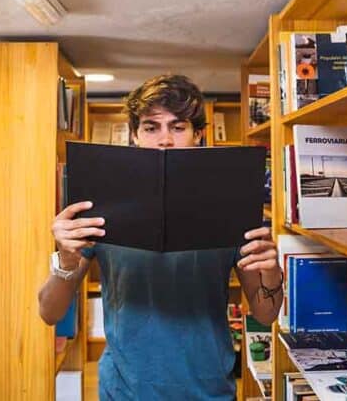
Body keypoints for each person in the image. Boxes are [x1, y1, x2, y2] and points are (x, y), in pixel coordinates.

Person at [38, 74, 283, 400]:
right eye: (151, 127)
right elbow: (49, 313)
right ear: (135, 136)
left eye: (178, 127)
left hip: (208, 391)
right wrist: (65, 259)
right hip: (125, 392)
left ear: (198, 135)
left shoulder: (228, 205)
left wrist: (271, 271)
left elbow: (266, 313)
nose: (164, 139)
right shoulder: (104, 204)